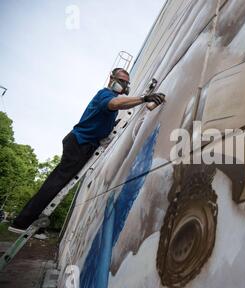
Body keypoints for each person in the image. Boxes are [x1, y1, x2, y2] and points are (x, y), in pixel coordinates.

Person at [8, 68, 166, 236]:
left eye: (126, 82)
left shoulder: (110, 98)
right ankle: (22, 222)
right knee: (57, 183)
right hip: (79, 143)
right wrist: (143, 98)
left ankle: (34, 224)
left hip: (82, 143)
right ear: (111, 79)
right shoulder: (105, 94)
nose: (123, 84)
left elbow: (105, 117)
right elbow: (114, 104)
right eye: (120, 80)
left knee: (59, 184)